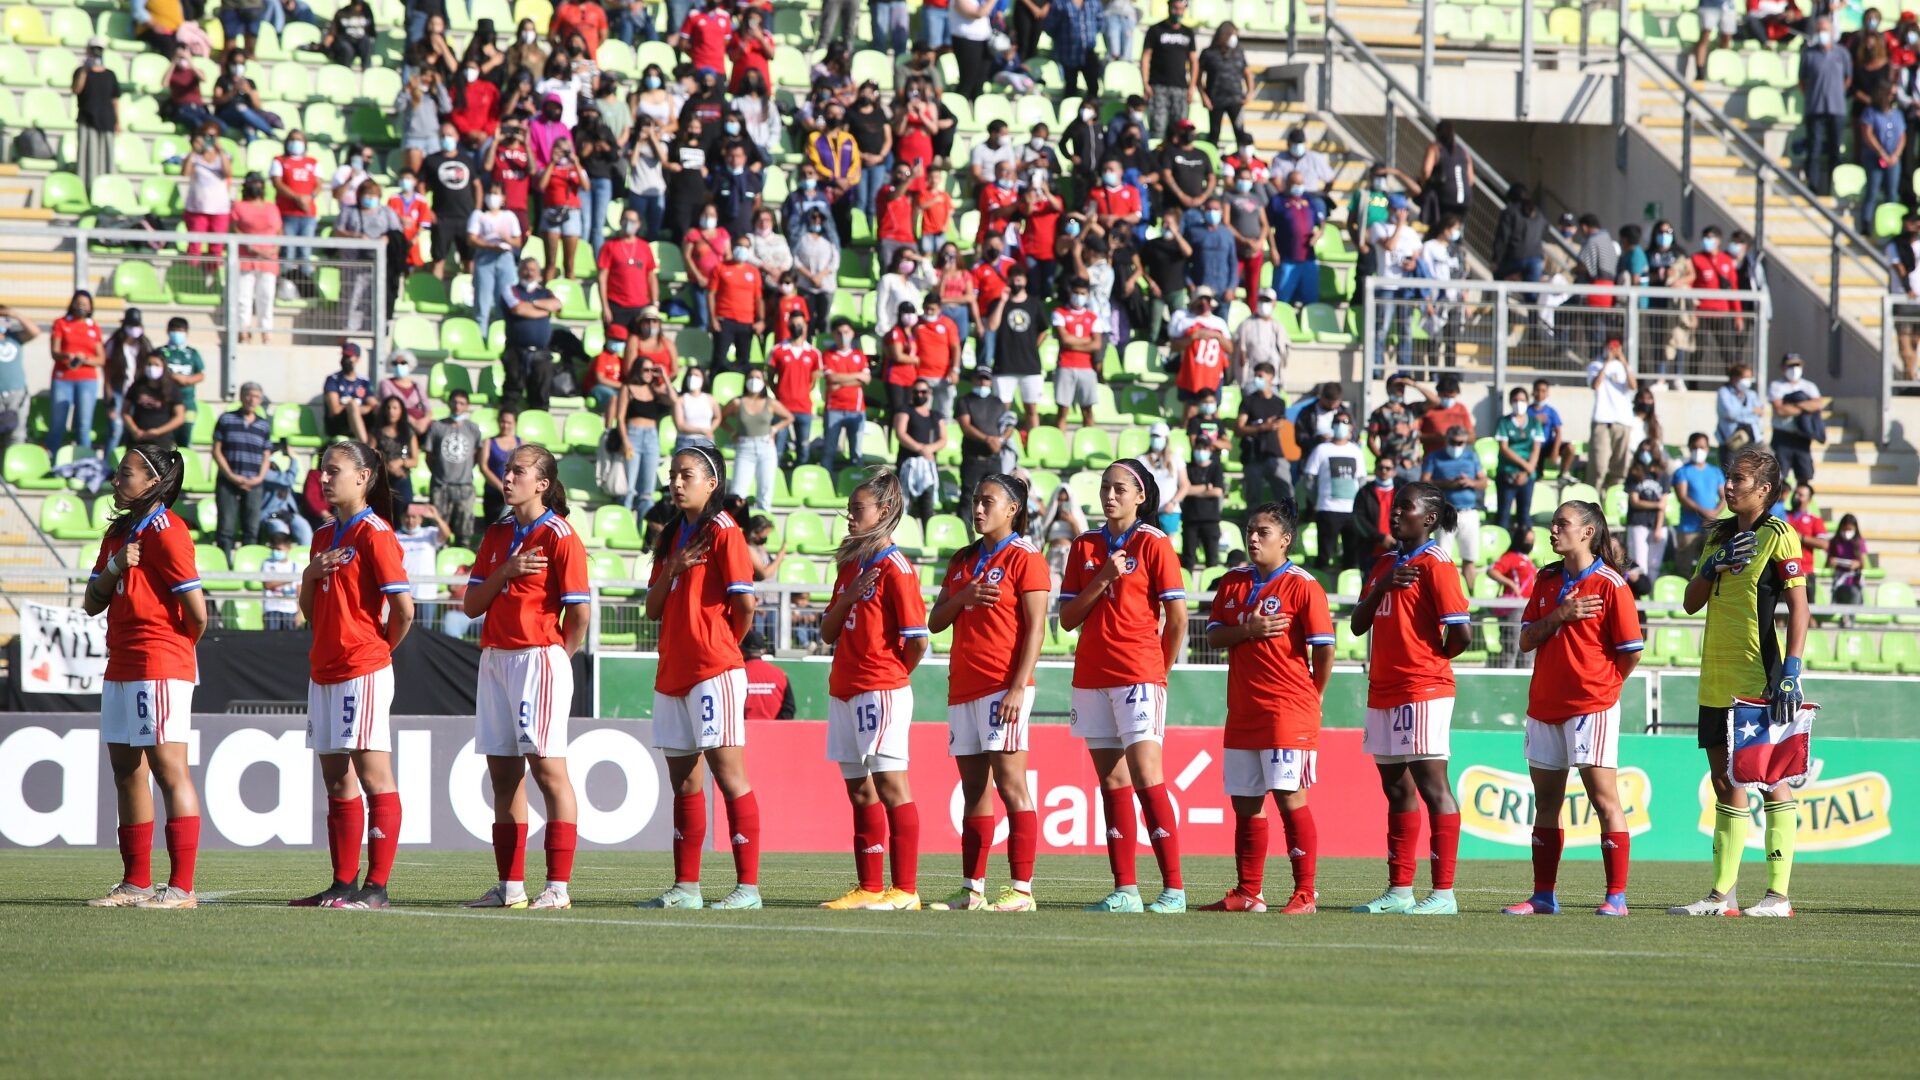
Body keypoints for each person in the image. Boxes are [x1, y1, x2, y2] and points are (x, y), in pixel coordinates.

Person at [1671, 448, 1808, 918]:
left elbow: (1799, 607)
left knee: (1770, 779)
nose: (1729, 486)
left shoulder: (1779, 535)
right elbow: (1691, 602)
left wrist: (1791, 669)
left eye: (1740, 480)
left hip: (1758, 677)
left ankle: (1777, 896)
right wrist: (1713, 566)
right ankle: (1721, 896)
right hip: (1715, 677)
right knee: (1724, 779)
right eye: (1728, 478)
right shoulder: (1719, 536)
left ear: (1764, 490)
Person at [454, 445, 590, 911]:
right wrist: (506, 570)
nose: (507, 477)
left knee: (549, 771)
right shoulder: (497, 534)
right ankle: (510, 887)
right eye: (506, 469)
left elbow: (580, 613)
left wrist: (557, 655)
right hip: (495, 659)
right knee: (504, 776)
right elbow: (472, 606)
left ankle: (558, 887)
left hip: (538, 659)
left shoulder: (559, 535)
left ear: (543, 484)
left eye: (518, 471)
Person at [1499, 500, 1644, 916]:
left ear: (1587, 532)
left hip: (1590, 706)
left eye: (1562, 523)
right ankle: (1544, 894)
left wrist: (1606, 689)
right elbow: (1526, 639)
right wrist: (1560, 615)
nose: (1553, 530)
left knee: (1603, 799)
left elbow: (1631, 651)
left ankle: (1616, 896)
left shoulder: (1611, 585)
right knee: (1546, 802)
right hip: (1544, 704)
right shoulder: (1546, 581)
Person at [1058, 460, 1189, 913]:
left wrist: (1160, 670)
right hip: (1092, 675)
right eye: (1104, 488)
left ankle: (1173, 889)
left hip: (1138, 675)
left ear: (1140, 497)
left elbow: (1177, 619)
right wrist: (1103, 578)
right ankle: (1126, 890)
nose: (1109, 495)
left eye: (1119, 489)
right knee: (1111, 783)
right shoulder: (1085, 546)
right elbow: (1068, 619)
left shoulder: (1154, 543)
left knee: (1147, 778)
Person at [636, 445, 763, 910]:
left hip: (714, 670)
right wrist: (671, 569)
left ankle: (748, 889)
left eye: (686, 474)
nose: (676, 482)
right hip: (672, 671)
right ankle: (686, 888)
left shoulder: (725, 531)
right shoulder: (672, 536)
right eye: (672, 474)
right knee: (684, 783)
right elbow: (652, 608)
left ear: (712, 483)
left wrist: (723, 644)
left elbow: (745, 605)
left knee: (730, 777)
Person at [290, 441, 415, 910]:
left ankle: (377, 888)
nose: (324, 478)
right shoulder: (324, 536)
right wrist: (309, 575)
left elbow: (404, 609)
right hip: (323, 669)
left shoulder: (373, 532)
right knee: (336, 780)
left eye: (334, 471)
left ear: (363, 478)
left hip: (361, 669)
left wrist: (379, 650)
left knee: (373, 775)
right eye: (322, 470)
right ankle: (342, 884)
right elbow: (311, 611)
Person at [81, 446, 207, 909]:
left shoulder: (168, 531)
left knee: (169, 769)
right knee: (125, 770)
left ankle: (182, 888)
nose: (117, 480)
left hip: (159, 661)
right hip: (121, 661)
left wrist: (172, 651)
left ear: (153, 481)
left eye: (126, 473)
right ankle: (135, 882)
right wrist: (117, 567)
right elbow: (91, 602)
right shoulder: (119, 533)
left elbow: (198, 615)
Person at [922, 474, 1048, 911]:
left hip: (1002, 687)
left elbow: (1037, 629)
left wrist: (1017, 687)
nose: (978, 508)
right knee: (974, 788)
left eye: (987, 501)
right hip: (964, 688)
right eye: (975, 500)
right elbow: (936, 621)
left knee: (1012, 784)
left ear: (1012, 509)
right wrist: (963, 597)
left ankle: (1022, 891)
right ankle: (971, 889)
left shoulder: (1026, 556)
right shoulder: (962, 560)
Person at [1200, 499, 1332, 913]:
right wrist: (1249, 629)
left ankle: (1305, 893)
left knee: (1290, 798)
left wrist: (1316, 694)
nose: (1253, 538)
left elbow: (1324, 649)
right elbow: (1214, 636)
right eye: (1250, 532)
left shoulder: (1303, 585)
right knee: (1245, 803)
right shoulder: (1232, 582)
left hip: (1287, 709)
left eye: (1263, 533)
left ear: (1285, 540)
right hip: (1242, 710)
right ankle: (1249, 892)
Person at [1348, 481, 1472, 916]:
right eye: (1395, 506)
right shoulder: (1383, 563)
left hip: (1422, 688)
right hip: (1382, 689)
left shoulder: (1437, 564)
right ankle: (1400, 890)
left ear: (1430, 519)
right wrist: (1382, 587)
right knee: (1395, 787)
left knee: (1432, 785)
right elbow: (1357, 625)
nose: (1396, 513)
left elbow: (1463, 633)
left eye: (1406, 507)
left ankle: (1443, 894)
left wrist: (1429, 661)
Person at [817, 468, 929, 911]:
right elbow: (828, 631)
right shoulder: (850, 564)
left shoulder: (897, 568)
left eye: (857, 509)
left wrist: (894, 673)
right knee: (857, 789)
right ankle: (868, 886)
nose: (850, 516)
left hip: (880, 689)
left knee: (891, 785)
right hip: (843, 687)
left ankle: (905, 890)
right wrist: (846, 598)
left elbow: (918, 639)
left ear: (883, 512)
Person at [212, 383, 272, 557]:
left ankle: (248, 565)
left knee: (252, 528)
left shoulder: (264, 425)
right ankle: (223, 564)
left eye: (256, 396)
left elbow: (267, 455)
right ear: (241, 396)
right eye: (249, 395)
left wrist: (259, 478)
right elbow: (216, 451)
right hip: (227, 481)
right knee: (226, 528)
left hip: (255, 483)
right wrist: (231, 475)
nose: (252, 399)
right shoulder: (226, 419)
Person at [988, 263, 1048, 434]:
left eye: (1019, 279)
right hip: (1004, 365)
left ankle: (1033, 442)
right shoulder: (999, 303)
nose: (1016, 282)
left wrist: (1033, 346)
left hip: (1030, 365)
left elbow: (1044, 330)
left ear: (1025, 281)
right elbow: (992, 326)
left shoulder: (1035, 304)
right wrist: (1002, 301)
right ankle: (1002, 440)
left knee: (1031, 410)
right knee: (1002, 410)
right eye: (1013, 279)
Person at [722, 366, 791, 511]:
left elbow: (789, 417)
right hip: (744, 447)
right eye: (751, 378)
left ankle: (762, 525)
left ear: (764, 382)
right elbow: (721, 418)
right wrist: (732, 431)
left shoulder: (770, 402)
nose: (754, 381)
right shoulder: (737, 402)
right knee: (738, 491)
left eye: (758, 378)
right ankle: (737, 525)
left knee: (765, 491)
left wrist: (774, 428)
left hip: (766, 446)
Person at [46, 291, 104, 457]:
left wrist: (84, 359)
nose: (81, 306)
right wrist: (67, 356)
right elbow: (54, 352)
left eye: (85, 303)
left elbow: (101, 359)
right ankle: (51, 459)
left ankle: (83, 460)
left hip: (87, 380)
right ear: (72, 303)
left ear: (91, 306)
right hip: (63, 378)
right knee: (58, 422)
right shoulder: (61, 323)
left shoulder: (93, 326)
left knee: (84, 424)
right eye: (78, 303)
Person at [1799, 16, 1852, 197]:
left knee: (1834, 150)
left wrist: (1836, 92)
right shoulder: (1808, 53)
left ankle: (1833, 187)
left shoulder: (1842, 53)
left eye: (1825, 30)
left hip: (1836, 108)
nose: (1822, 33)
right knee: (1813, 149)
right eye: (1819, 30)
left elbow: (1847, 78)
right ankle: (1812, 186)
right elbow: (1802, 81)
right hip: (1815, 107)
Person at [1304, 413, 1363, 571]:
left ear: (1351, 426)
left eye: (1344, 421)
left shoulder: (1355, 451)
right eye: (1337, 421)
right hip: (1327, 509)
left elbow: (1361, 480)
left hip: (1351, 511)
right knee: (1324, 556)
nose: (1340, 424)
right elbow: (1309, 479)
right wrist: (1316, 501)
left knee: (1352, 558)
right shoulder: (1321, 449)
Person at [501, 259, 563, 411]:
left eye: (533, 270)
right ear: (519, 271)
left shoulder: (546, 292)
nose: (529, 273)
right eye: (526, 269)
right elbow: (518, 309)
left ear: (539, 273)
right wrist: (543, 310)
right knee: (512, 392)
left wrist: (532, 303)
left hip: (541, 352)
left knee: (541, 394)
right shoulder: (511, 290)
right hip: (516, 350)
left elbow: (557, 305)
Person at [1049, 278, 1108, 430]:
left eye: (1082, 293)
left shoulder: (1093, 317)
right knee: (1063, 411)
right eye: (1076, 293)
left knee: (1088, 410)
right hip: (1065, 365)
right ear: (1070, 293)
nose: (1079, 296)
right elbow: (1064, 340)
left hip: (1086, 368)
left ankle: (1089, 442)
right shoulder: (1059, 313)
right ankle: (1060, 446)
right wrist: (1086, 340)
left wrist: (1073, 343)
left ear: (1087, 295)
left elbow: (1097, 345)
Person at [425, 391, 482, 546]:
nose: (458, 406)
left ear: (467, 406)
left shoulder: (473, 429)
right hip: (441, 485)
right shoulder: (437, 426)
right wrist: (440, 473)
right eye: (455, 402)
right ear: (449, 403)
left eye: (462, 403)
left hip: (464, 486)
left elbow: (476, 456)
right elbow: (429, 456)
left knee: (464, 532)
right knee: (437, 532)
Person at [1237, 360, 1292, 508]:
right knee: (1253, 499)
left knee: (1286, 496)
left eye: (1260, 376)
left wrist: (1278, 424)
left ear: (1271, 378)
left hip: (1274, 453)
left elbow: (1282, 425)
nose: (1257, 379)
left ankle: (1288, 530)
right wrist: (1262, 427)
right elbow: (1239, 428)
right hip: (1253, 455)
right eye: (1255, 376)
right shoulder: (1248, 401)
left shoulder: (1279, 402)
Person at [1141, 0, 1199, 140]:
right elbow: (1145, 58)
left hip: (1180, 88)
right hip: (1158, 87)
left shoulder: (1188, 32)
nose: (1178, 12)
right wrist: (1145, 83)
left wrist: (1191, 87)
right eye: (1175, 8)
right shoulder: (1155, 30)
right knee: (1158, 128)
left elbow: (1194, 62)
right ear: (1169, 7)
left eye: (1181, 9)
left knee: (1180, 130)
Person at [709, 235, 765, 376]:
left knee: (744, 361)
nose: (742, 249)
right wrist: (713, 318)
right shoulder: (720, 268)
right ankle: (713, 390)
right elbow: (711, 294)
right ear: (733, 247)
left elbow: (758, 298)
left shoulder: (753, 272)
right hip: (724, 320)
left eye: (746, 247)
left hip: (746, 322)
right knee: (719, 360)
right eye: (740, 245)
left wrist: (761, 320)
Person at [1768, 353, 1827, 488]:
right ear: (1782, 367)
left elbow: (1819, 404)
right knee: (1779, 476)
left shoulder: (1809, 386)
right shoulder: (1777, 385)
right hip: (1783, 436)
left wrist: (1794, 405)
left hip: (1802, 436)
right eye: (1790, 365)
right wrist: (1806, 406)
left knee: (1804, 475)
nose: (1794, 369)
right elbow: (1781, 410)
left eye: (1797, 365)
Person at [1586, 339, 1636, 490]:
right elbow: (1595, 385)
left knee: (1620, 468)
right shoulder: (1595, 365)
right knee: (1599, 466)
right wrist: (1607, 363)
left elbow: (1633, 386)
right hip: (1603, 421)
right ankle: (1593, 500)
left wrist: (1624, 362)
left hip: (1623, 422)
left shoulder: (1625, 367)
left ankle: (1612, 499)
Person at [1494, 387, 1544, 531]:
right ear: (1510, 402)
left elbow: (1536, 448)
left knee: (1524, 516)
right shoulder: (1504, 422)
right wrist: (1526, 466)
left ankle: (1524, 550)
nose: (1518, 403)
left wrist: (1528, 471)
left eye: (1522, 400)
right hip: (1507, 472)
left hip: (1528, 475)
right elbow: (1504, 448)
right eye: (1515, 400)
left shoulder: (1534, 422)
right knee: (1503, 515)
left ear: (1528, 402)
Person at [73, 39, 121, 190]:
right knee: (87, 158)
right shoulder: (81, 72)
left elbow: (115, 100)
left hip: (106, 120)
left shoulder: (110, 74)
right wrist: (85, 70)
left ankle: (106, 189)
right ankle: (85, 188)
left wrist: (118, 121)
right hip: (87, 119)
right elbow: (76, 89)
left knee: (106, 158)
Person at [1197, 22, 1252, 152]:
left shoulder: (1238, 52)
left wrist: (1250, 93)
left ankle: (1241, 161)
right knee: (1214, 134)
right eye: (1232, 34)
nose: (1234, 38)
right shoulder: (1208, 53)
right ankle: (1212, 161)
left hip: (1236, 100)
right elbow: (1198, 79)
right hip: (1215, 100)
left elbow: (1248, 74)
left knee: (1240, 133)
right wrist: (1204, 96)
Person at [1625, 440, 1671, 578]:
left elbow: (1663, 505)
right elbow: (1634, 501)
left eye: (1648, 451)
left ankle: (1651, 593)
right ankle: (1640, 594)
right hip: (1638, 522)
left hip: (1658, 524)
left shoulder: (1663, 475)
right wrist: (1656, 505)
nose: (1645, 454)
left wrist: (1658, 528)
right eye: (1642, 451)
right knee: (1639, 564)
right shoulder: (1634, 474)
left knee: (1654, 565)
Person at [122, 358, 186, 451]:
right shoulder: (137, 386)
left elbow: (179, 417)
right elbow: (125, 411)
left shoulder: (172, 388)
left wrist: (157, 432)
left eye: (156, 365)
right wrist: (135, 430)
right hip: (137, 438)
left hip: (161, 439)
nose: (152, 367)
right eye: (149, 364)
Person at [1181, 435, 1224, 570]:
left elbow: (1217, 491)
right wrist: (1206, 487)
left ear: (1210, 450)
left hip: (1210, 520)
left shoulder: (1216, 468)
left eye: (1204, 448)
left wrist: (1193, 490)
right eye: (1198, 448)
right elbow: (1184, 489)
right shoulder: (1187, 467)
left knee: (1212, 559)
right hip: (1190, 520)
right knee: (1188, 559)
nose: (1201, 451)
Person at [1783, 483, 1830, 603]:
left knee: (1806, 611)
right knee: (1780, 612)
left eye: (1801, 495)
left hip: (1805, 571)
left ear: (1809, 500)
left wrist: (1801, 538)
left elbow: (1824, 544)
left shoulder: (1815, 520)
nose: (1796, 497)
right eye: (1795, 494)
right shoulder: (1783, 515)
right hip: (1782, 570)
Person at [323, 343, 374, 443]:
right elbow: (335, 410)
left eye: (349, 356)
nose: (345, 359)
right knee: (352, 404)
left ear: (357, 359)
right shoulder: (333, 380)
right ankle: (367, 447)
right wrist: (353, 407)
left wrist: (359, 409)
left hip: (361, 421)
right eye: (344, 356)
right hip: (338, 425)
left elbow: (372, 404)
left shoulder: (364, 381)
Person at [1413, 373, 1473, 456]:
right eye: (1446, 396)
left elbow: (1472, 437)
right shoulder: (1428, 409)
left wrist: (1456, 438)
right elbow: (1415, 436)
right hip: (1433, 459)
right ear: (1438, 393)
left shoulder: (1461, 409)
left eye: (1452, 397)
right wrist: (1436, 438)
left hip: (1456, 460)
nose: (1449, 400)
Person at [261, 522, 303, 630]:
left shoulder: (295, 566)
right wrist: (290, 578)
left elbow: (299, 592)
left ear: (288, 548)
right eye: (273, 549)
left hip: (290, 610)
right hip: (272, 609)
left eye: (279, 549)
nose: (276, 552)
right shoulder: (267, 564)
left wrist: (299, 613)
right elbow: (268, 584)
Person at [1827, 514, 1868, 608]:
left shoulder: (1859, 542)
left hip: (1854, 582)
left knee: (1852, 598)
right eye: (1845, 529)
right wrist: (1832, 562)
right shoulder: (1835, 542)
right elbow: (1829, 561)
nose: (1846, 533)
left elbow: (1862, 563)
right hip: (1839, 581)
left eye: (1849, 530)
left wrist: (1857, 564)